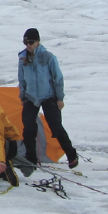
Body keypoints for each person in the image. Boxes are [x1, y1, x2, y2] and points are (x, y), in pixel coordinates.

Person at [18, 28, 79, 169]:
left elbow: (58, 78)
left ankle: (71, 154)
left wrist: (60, 98)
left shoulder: (48, 57)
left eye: (31, 42)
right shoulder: (22, 58)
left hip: (48, 96)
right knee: (28, 128)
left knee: (55, 127)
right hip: (30, 96)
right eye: (25, 42)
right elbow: (22, 79)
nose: (28, 45)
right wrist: (22, 95)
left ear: (38, 42)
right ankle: (31, 159)